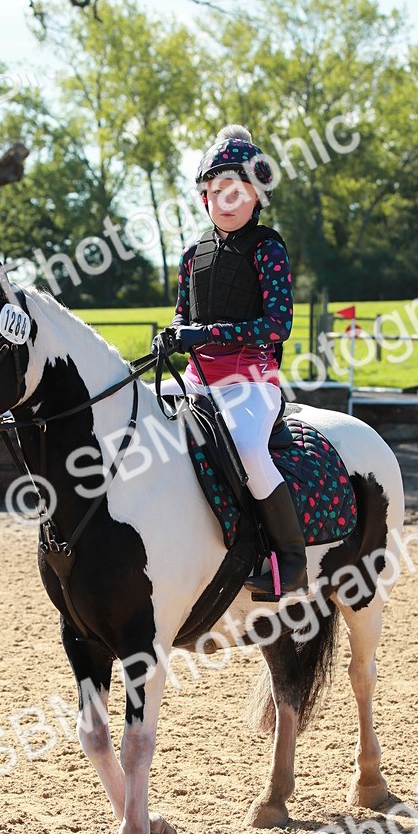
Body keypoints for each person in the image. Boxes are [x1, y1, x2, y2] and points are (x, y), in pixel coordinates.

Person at [154, 124, 305, 598]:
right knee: (140, 424)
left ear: (256, 196)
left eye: (236, 191)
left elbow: (278, 324)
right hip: (195, 380)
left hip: (251, 381)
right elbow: (184, 311)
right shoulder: (190, 253)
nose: (225, 200)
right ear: (204, 198)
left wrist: (210, 333)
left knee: (247, 447)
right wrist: (174, 333)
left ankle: (289, 559)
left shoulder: (268, 249)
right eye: (216, 190)